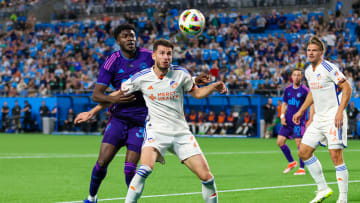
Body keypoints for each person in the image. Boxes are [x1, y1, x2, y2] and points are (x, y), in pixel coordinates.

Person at [74, 24, 210, 203]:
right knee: (102, 162)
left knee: (131, 169)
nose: (130, 38)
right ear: (118, 41)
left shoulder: (149, 56)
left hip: (141, 121)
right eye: (125, 36)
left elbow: (170, 73)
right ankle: (92, 198)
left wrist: (193, 80)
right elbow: (98, 94)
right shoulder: (112, 61)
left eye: (132, 35)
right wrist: (96, 110)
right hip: (118, 119)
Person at [117, 39, 226, 203]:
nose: (166, 57)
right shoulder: (142, 78)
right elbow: (119, 93)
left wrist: (213, 87)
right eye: (162, 53)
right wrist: (95, 108)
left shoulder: (181, 73)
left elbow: (196, 93)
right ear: (154, 55)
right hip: (156, 131)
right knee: (144, 169)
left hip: (181, 133)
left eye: (169, 53)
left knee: (207, 177)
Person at [293, 36, 352, 203]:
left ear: (321, 52)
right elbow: (313, 92)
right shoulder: (308, 71)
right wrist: (301, 110)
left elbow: (347, 87)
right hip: (319, 118)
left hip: (334, 116)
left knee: (335, 156)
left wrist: (340, 111)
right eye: (309, 50)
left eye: (314, 50)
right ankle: (323, 188)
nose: (311, 53)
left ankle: (343, 198)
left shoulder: (328, 67)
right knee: (303, 152)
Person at [277, 68, 313, 175]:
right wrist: (282, 117)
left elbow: (312, 104)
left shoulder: (305, 90)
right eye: (294, 75)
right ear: (291, 77)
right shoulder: (287, 90)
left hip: (299, 121)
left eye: (298, 75)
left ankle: (302, 168)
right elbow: (284, 104)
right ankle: (292, 162)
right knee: (280, 142)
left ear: (301, 77)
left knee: (299, 144)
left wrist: (310, 119)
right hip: (287, 121)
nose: (296, 77)